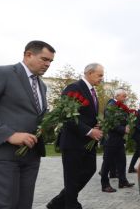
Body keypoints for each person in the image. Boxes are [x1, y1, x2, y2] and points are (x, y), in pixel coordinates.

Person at [0, 40, 55, 209]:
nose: (48, 64)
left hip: (30, 155)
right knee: (5, 205)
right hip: (0, 154)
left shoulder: (41, 86)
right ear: (28, 54)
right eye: (44, 59)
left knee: (23, 205)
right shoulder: (2, 73)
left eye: (50, 61)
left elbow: (36, 116)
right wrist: (9, 135)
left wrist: (54, 120)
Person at [47, 63, 104, 209]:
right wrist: (90, 131)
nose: (102, 79)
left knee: (90, 170)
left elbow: (86, 115)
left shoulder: (92, 92)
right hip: (73, 142)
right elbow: (68, 116)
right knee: (72, 178)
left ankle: (58, 202)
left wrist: (96, 125)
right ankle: (71, 205)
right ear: (90, 73)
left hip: (87, 142)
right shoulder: (74, 88)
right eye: (100, 75)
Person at [100, 89, 135, 193]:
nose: (125, 98)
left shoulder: (119, 105)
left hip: (119, 140)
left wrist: (128, 123)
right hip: (110, 140)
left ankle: (122, 181)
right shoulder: (111, 104)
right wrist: (123, 129)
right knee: (107, 163)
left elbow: (121, 119)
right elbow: (111, 122)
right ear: (118, 95)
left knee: (122, 161)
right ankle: (105, 185)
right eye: (124, 96)